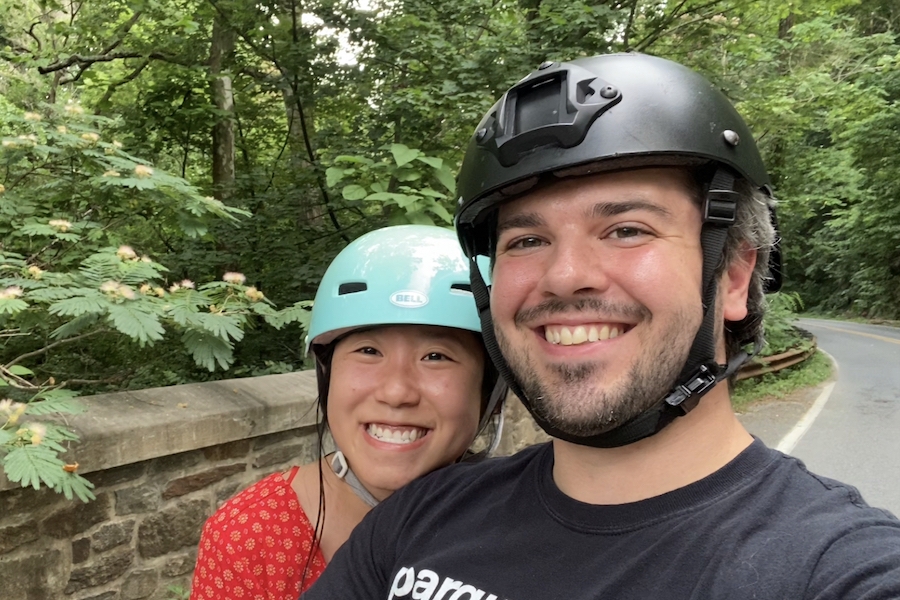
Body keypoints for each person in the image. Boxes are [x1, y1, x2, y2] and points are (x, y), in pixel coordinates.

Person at [301, 53, 900, 599]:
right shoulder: (421, 517)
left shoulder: (834, 568)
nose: (563, 277)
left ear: (735, 277)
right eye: (528, 240)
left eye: (626, 230)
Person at [189, 225, 505, 600]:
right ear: (328, 374)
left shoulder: (528, 529)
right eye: (369, 351)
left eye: (436, 356)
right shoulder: (250, 535)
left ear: (491, 392)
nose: (396, 392)